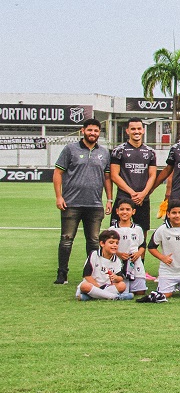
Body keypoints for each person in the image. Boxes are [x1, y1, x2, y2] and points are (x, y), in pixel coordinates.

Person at [53, 117, 112, 285]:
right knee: (66, 239)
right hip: (71, 203)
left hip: (94, 204)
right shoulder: (70, 149)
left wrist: (109, 199)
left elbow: (107, 178)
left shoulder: (104, 152)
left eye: (96, 130)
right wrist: (59, 196)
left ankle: (91, 273)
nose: (92, 133)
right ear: (83, 131)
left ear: (99, 133)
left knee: (93, 241)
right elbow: (58, 173)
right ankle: (62, 274)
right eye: (90, 130)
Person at [109, 117, 157, 231]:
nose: (136, 131)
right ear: (127, 131)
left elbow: (152, 175)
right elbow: (114, 175)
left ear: (143, 130)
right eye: (133, 129)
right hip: (124, 197)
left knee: (142, 231)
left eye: (139, 128)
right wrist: (132, 193)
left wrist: (143, 194)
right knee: (117, 232)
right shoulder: (118, 150)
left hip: (142, 199)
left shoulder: (150, 152)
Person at [76, 229, 132, 301]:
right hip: (92, 285)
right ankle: (114, 297)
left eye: (117, 243)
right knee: (84, 286)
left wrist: (116, 277)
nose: (115, 245)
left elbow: (120, 278)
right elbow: (87, 276)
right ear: (102, 243)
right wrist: (98, 288)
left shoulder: (117, 260)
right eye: (111, 243)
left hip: (106, 287)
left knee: (122, 285)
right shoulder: (94, 255)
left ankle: (91, 297)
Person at [110, 200, 148, 295]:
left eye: (128, 209)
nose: (125, 212)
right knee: (122, 290)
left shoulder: (138, 229)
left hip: (135, 263)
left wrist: (139, 253)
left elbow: (142, 245)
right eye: (122, 209)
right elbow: (107, 248)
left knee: (140, 292)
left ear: (133, 212)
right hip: (119, 264)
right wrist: (118, 253)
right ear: (117, 211)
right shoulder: (112, 230)